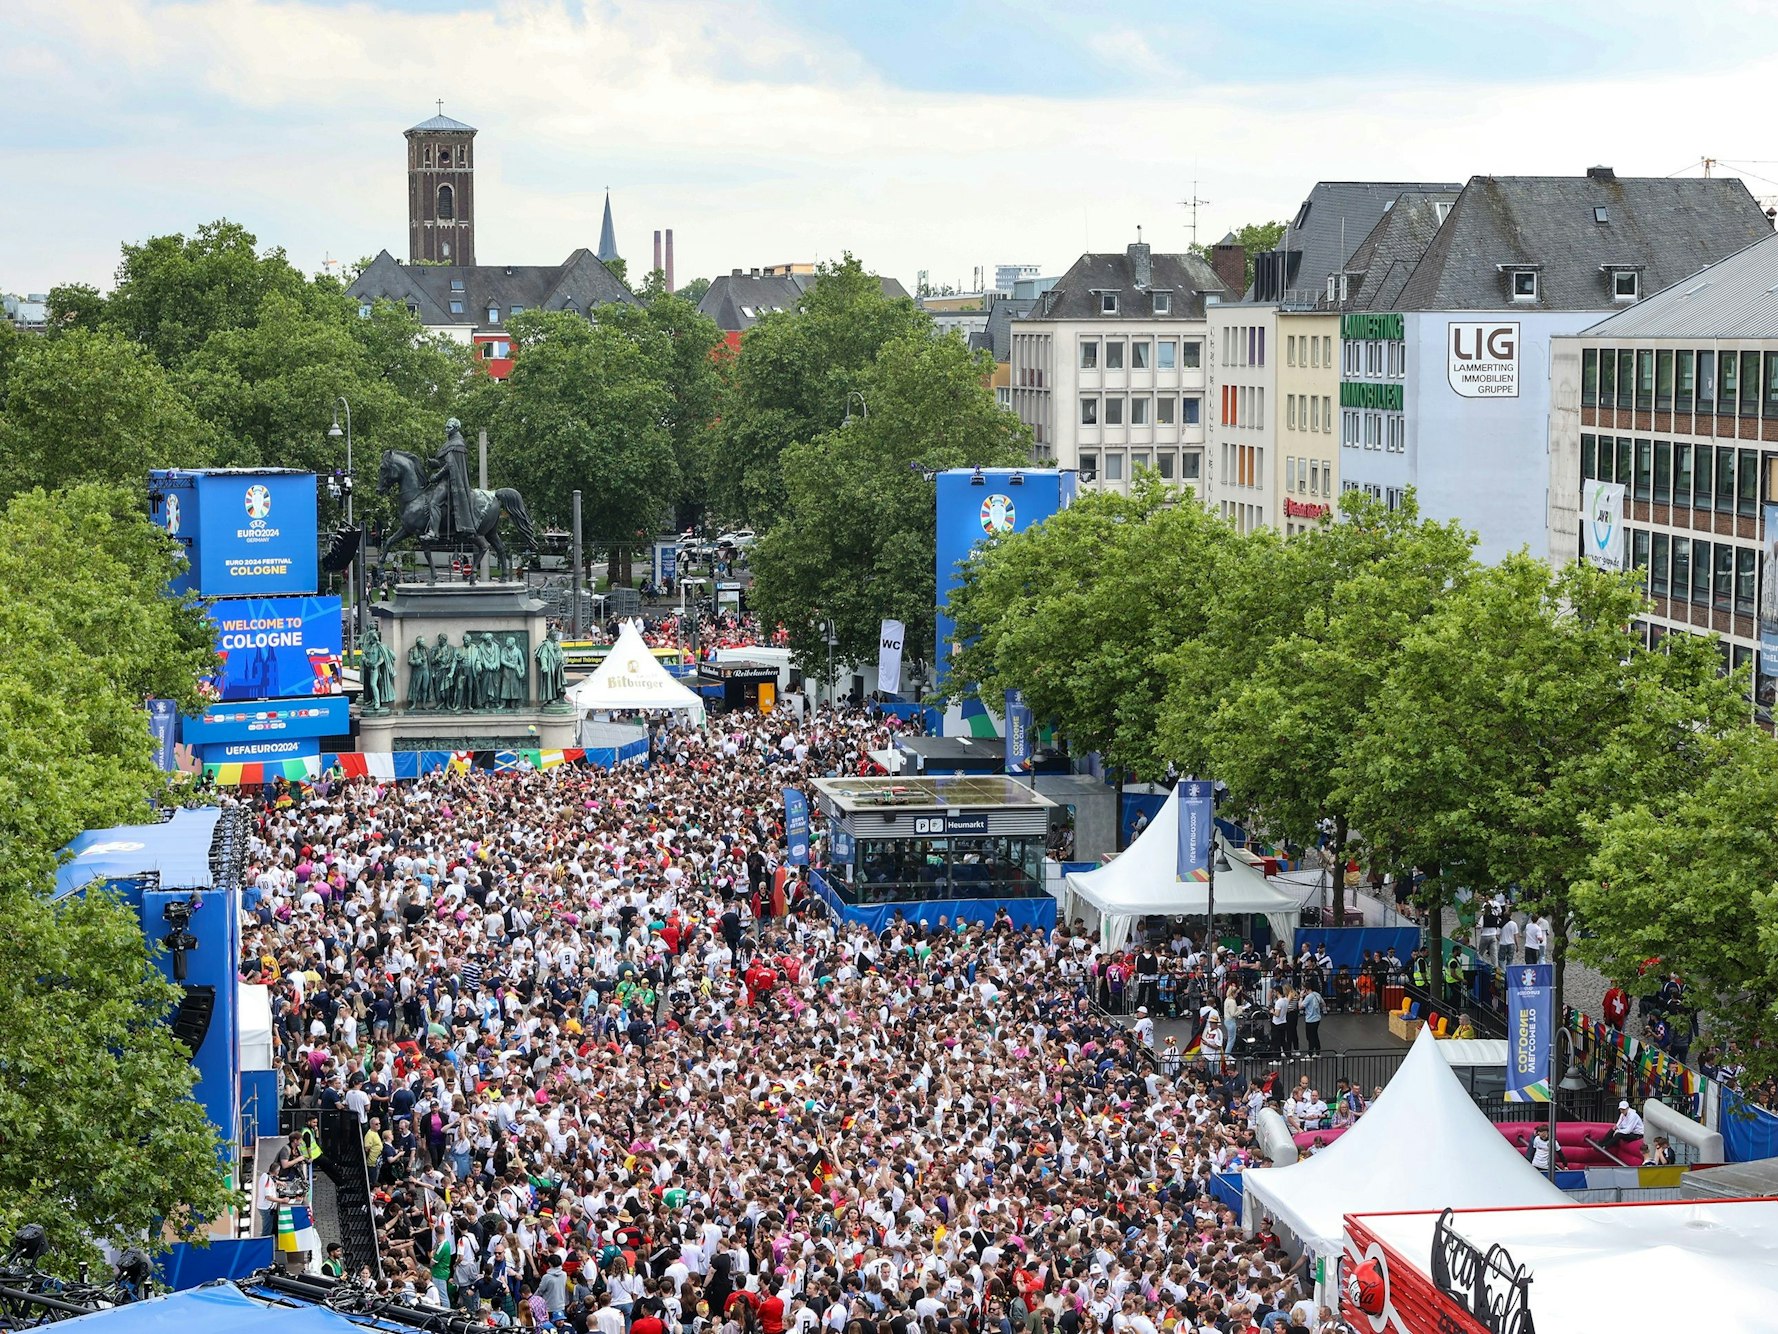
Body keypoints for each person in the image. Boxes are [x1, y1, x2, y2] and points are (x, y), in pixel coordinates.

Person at [425, 417, 476, 542]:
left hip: (451, 481)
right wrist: (434, 463)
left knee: (434, 503)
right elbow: (443, 462)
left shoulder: (457, 444)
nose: (446, 429)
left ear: (456, 428)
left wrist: (436, 476)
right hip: (447, 478)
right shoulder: (449, 443)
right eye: (446, 427)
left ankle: (433, 532)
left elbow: (450, 466)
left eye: (449, 428)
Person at [1299, 983, 1324, 1054]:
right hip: (1317, 1018)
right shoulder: (1317, 994)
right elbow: (1323, 1003)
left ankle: (1310, 1053)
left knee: (1310, 1037)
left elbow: (1300, 1006)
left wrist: (1301, 997)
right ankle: (1317, 1051)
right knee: (1315, 1035)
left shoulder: (1308, 997)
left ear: (1305, 989)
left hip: (1310, 1019)